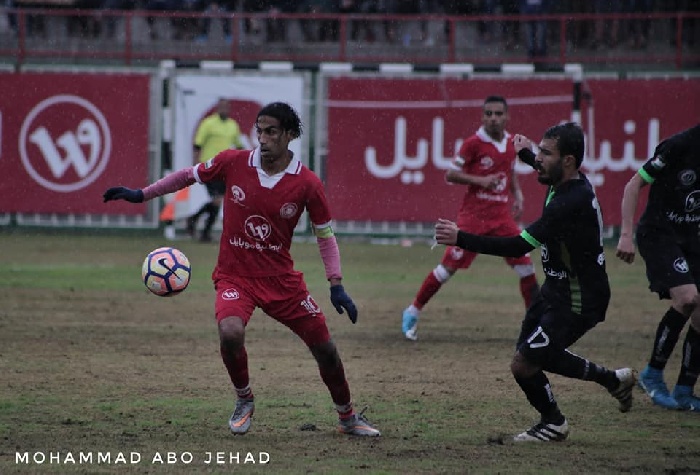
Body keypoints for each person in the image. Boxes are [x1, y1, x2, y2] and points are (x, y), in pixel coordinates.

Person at [103, 102, 380, 437]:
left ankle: (347, 417)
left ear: (290, 135)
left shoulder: (307, 184)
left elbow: (325, 235)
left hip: (282, 281)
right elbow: (187, 176)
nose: (262, 138)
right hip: (235, 275)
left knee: (326, 348)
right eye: (259, 130)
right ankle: (244, 399)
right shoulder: (233, 162)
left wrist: (336, 283)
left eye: (271, 131)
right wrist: (142, 195)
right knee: (231, 332)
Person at [435, 122, 636, 442]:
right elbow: (543, 167)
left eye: (546, 153)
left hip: (579, 299)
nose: (538, 160)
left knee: (524, 364)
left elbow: (518, 246)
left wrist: (461, 237)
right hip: (555, 290)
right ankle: (613, 381)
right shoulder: (566, 179)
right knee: (531, 356)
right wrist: (527, 152)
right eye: (539, 152)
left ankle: (555, 422)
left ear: (567, 160)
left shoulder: (568, 202)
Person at [401, 96, 539, 341]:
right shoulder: (473, 144)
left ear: (506, 116)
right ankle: (412, 311)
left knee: (526, 266)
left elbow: (510, 171)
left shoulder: (511, 143)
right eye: (488, 114)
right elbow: (451, 174)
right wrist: (481, 181)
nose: (493, 118)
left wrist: (517, 193)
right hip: (473, 219)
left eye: (498, 114)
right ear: (482, 117)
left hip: (502, 218)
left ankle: (534, 325)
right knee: (447, 269)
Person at [616, 124, 700, 412]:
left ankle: (685, 390)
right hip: (659, 233)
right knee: (688, 298)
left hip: (693, 237)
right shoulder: (677, 146)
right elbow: (633, 185)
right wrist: (626, 235)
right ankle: (652, 374)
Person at [186, 98, 244, 242]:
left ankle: (198, 226)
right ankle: (197, 224)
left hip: (225, 168)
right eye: (222, 107)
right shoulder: (209, 123)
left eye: (227, 107)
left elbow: (238, 144)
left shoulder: (232, 125)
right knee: (218, 199)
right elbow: (198, 144)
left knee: (219, 200)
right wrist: (195, 163)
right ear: (218, 108)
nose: (224, 109)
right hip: (209, 166)